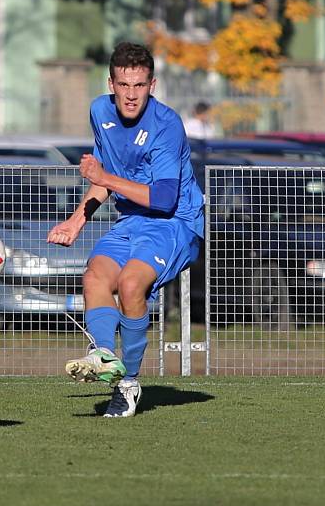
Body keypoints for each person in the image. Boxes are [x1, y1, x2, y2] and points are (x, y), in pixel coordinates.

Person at [47, 42, 204, 418]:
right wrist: (76, 220)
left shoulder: (167, 126)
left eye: (139, 85)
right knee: (95, 275)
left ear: (152, 84)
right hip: (131, 220)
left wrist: (105, 177)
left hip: (175, 224)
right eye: (123, 85)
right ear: (111, 84)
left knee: (132, 285)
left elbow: (164, 198)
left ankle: (129, 384)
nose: (131, 94)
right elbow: (106, 176)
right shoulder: (100, 111)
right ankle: (102, 354)